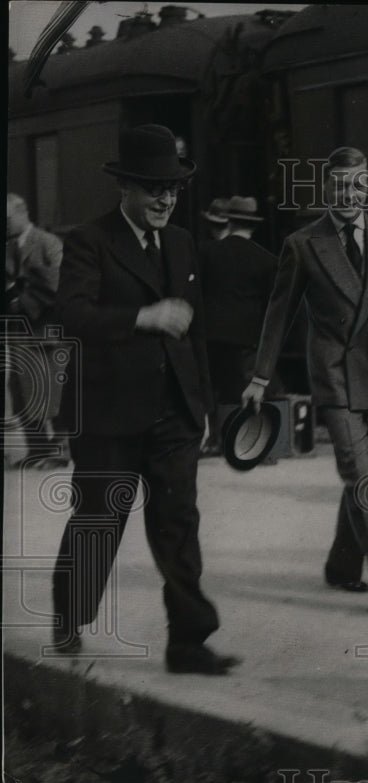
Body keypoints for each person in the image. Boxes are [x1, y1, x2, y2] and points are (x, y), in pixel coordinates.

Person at [51, 125, 239, 674]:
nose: (165, 200)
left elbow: (195, 331)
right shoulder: (90, 240)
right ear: (126, 188)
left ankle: (188, 642)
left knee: (178, 524)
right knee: (98, 521)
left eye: (174, 190)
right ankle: (69, 616)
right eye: (154, 188)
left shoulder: (181, 243)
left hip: (174, 412)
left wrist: (203, 407)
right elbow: (69, 316)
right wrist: (143, 317)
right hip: (108, 414)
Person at [242, 146, 368, 611]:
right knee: (357, 470)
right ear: (326, 188)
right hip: (336, 375)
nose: (347, 194)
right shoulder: (303, 244)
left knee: (367, 473)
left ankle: (341, 566)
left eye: (356, 184)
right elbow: (278, 314)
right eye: (339, 185)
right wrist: (260, 378)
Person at [199, 196, 279, 455]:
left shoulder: (206, 252)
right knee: (242, 390)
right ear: (253, 227)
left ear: (229, 221)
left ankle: (212, 440)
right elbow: (272, 308)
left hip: (209, 335)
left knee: (209, 388)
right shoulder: (267, 260)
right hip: (247, 339)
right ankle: (243, 442)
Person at [5, 192, 67, 468]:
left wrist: (23, 300)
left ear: (22, 212)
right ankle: (37, 450)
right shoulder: (6, 248)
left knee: (54, 393)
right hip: (18, 333)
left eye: (6, 219)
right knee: (22, 392)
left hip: (46, 332)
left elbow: (60, 283)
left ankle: (60, 452)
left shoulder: (48, 242)